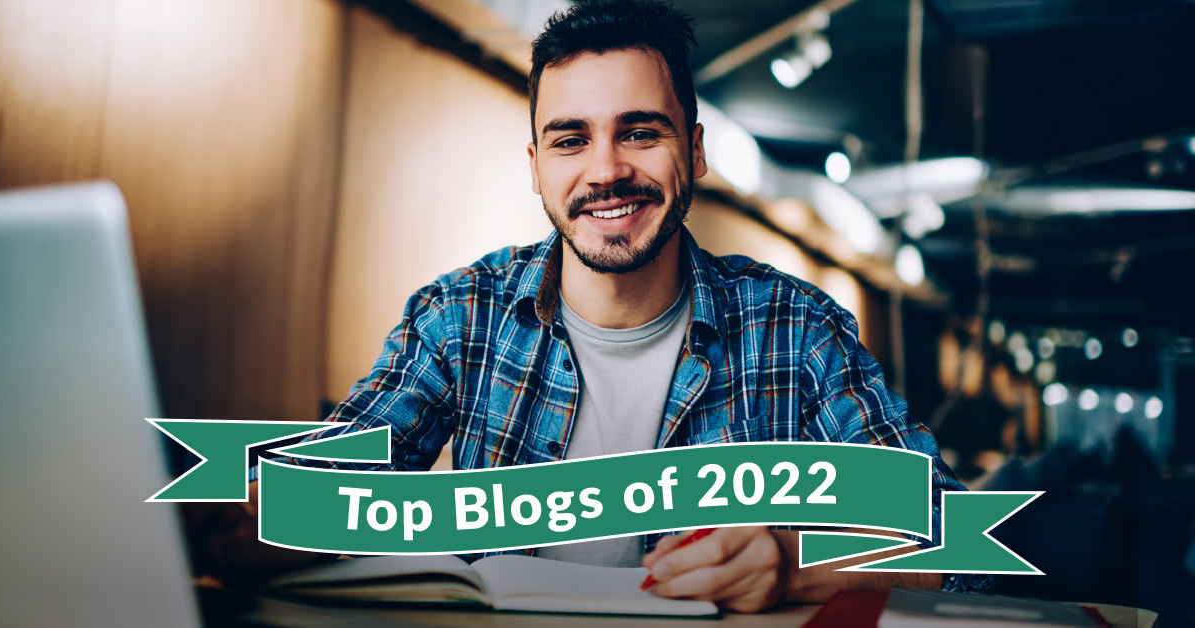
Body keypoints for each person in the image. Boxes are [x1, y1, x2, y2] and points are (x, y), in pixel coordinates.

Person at [198, 0, 988, 612]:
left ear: (697, 150)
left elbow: (948, 534)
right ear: (537, 167)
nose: (605, 170)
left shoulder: (796, 328)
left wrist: (792, 560)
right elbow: (324, 483)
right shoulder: (458, 317)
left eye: (640, 132)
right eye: (571, 140)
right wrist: (246, 517)